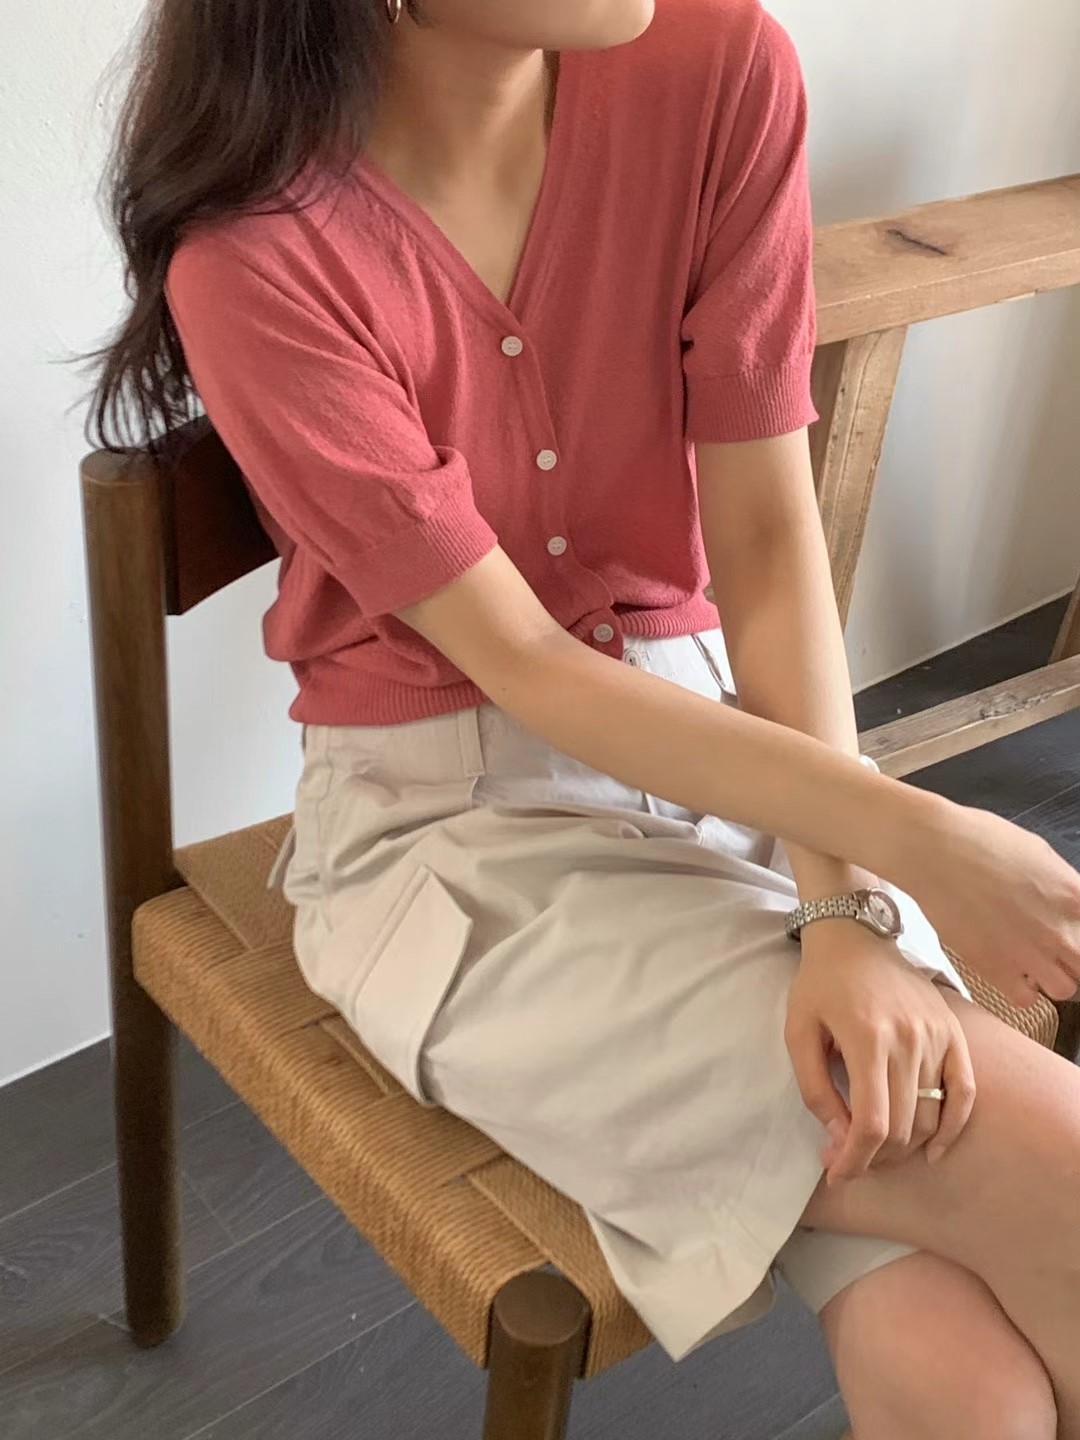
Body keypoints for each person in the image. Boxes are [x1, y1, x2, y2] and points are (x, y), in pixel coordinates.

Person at [91, 0, 1080, 1433]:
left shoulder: (718, 70)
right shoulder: (251, 260)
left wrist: (844, 902)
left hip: (737, 755)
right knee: (1008, 1169)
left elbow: (765, 534)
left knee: (962, 1361)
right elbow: (527, 667)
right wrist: (918, 841)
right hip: (452, 838)